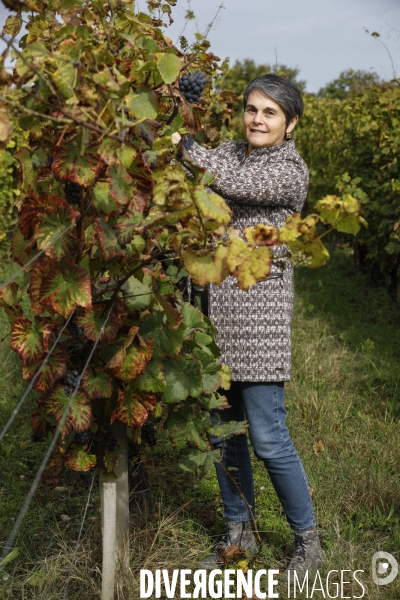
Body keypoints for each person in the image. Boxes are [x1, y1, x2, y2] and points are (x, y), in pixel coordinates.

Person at [172, 74, 322, 579]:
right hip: (213, 315)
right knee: (223, 432)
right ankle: (239, 531)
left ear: (290, 122)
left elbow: (232, 184)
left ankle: (308, 540)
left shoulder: (289, 169)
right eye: (252, 109)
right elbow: (205, 175)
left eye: (270, 112)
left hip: (260, 321)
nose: (258, 119)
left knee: (266, 435)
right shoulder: (231, 151)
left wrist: (187, 147)